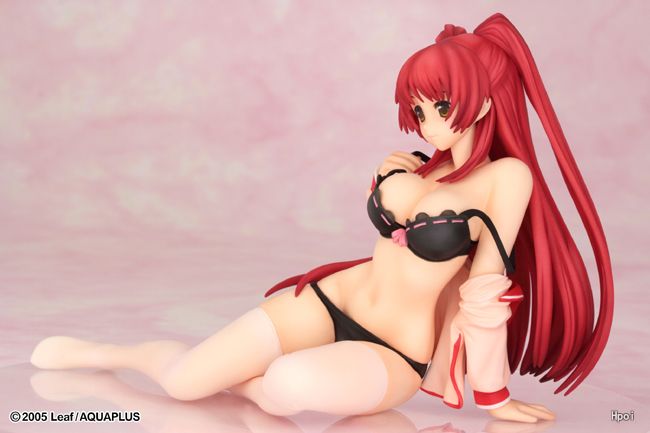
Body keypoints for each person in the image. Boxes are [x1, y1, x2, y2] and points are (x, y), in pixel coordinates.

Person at [30, 13, 613, 423]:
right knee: (186, 382)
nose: (428, 123)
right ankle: (107, 356)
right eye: (418, 109)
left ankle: (248, 386)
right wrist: (392, 178)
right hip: (330, 297)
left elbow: (485, 290)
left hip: (395, 350)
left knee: (284, 385)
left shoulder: (506, 179)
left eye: (441, 106)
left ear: (484, 100)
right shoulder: (412, 165)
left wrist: (493, 396)